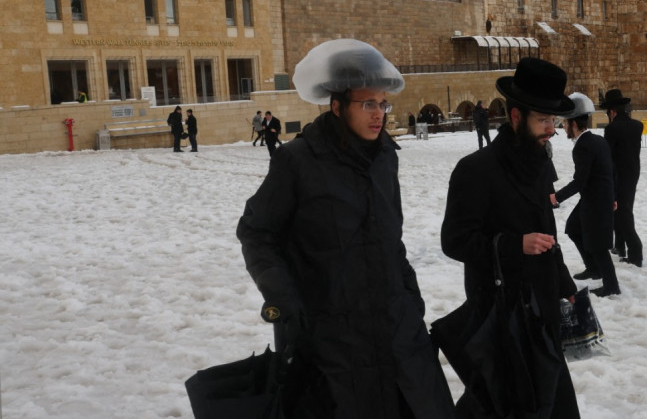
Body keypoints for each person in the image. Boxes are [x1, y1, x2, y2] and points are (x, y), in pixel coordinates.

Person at [238, 38, 455, 419]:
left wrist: (409, 296)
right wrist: (285, 298)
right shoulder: (298, 161)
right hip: (334, 338)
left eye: (382, 103)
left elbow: (392, 237)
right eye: (367, 103)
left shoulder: (386, 156)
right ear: (337, 106)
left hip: (397, 328)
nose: (379, 114)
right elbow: (257, 232)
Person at [441, 57, 580, 418]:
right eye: (543, 120)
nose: (551, 129)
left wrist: (564, 281)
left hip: (542, 308)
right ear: (516, 117)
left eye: (554, 120)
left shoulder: (537, 161)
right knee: (508, 403)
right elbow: (454, 240)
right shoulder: (476, 169)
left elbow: (546, 232)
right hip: (501, 316)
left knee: (552, 400)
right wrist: (512, 245)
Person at [552, 92, 620, 297]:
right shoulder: (596, 140)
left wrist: (555, 197)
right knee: (573, 228)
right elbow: (611, 170)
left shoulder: (583, 146)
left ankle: (611, 286)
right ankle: (593, 268)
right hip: (597, 197)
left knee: (598, 244)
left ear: (574, 124)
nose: (563, 127)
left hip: (596, 200)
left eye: (565, 124)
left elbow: (580, 181)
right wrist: (614, 196)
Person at [600, 89, 644, 267]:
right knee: (622, 208)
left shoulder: (612, 128)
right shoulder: (637, 125)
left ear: (612, 112)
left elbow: (608, 155)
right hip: (633, 172)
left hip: (618, 175)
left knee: (622, 211)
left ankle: (635, 252)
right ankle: (619, 246)